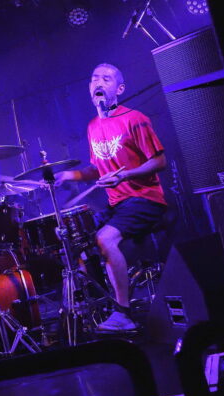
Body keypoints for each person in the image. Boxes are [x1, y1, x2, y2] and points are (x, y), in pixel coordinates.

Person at [56, 63, 167, 333]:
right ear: (89, 88)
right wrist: (68, 175)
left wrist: (125, 175)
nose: (99, 82)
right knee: (74, 240)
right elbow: (97, 169)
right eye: (95, 78)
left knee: (104, 239)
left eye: (106, 79)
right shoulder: (93, 126)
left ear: (119, 89)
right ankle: (99, 305)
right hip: (117, 203)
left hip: (145, 198)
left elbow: (159, 161)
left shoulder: (135, 119)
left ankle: (123, 313)